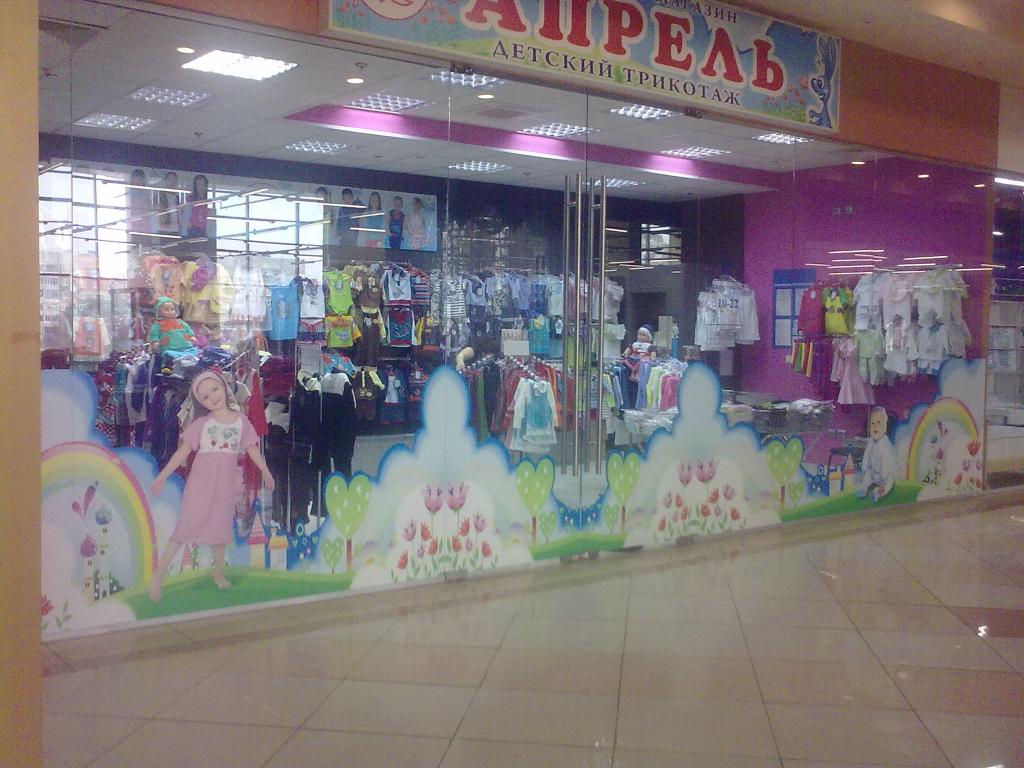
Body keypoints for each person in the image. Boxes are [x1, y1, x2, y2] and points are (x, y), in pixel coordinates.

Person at [149, 370, 275, 601]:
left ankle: (218, 574)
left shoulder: (242, 422)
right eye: (205, 396)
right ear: (201, 402)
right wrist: (163, 476)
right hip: (201, 483)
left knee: (220, 528)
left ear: (224, 388)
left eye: (215, 389)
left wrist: (265, 470)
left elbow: (252, 449)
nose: (212, 397)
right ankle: (159, 574)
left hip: (225, 484)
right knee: (186, 526)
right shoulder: (202, 424)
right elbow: (182, 452)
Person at [859, 406, 896, 501]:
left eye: (878, 422)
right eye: (872, 423)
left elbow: (886, 464)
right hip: (873, 473)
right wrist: (863, 471)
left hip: (884, 475)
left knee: (889, 482)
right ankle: (863, 489)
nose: (875, 426)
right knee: (867, 476)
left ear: (885, 427)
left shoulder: (886, 445)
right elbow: (866, 456)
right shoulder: (870, 442)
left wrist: (883, 482)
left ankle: (877, 493)